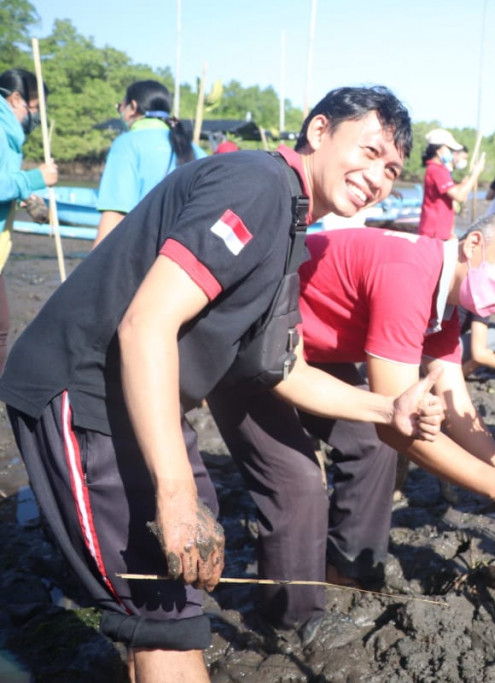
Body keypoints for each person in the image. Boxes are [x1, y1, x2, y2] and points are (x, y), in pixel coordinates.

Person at [0, 86, 448, 683]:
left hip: (133, 404)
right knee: (164, 621)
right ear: (318, 132)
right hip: (83, 396)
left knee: (168, 609)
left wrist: (387, 407)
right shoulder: (257, 186)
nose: (378, 177)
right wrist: (177, 493)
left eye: (392, 169)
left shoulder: (290, 225)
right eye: (368, 151)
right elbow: (146, 324)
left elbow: (283, 369)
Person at [207, 213, 495, 640]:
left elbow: (456, 404)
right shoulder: (409, 276)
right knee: (296, 479)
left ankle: (349, 570)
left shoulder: (446, 303)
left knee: (368, 444)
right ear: (472, 246)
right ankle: (293, 621)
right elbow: (398, 424)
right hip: (248, 336)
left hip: (312, 351)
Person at [93, 80, 207, 247]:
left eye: (120, 107)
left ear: (132, 106)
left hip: (142, 249)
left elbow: (114, 212)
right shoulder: (196, 150)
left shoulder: (126, 144)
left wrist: (94, 267)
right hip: (186, 252)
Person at [0, 68, 58, 372]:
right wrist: (36, 177)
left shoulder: (10, 135)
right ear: (16, 99)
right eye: (35, 108)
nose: (35, 116)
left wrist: (25, 198)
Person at [418, 128, 485, 240]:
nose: (452, 153)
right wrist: (476, 174)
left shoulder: (438, 169)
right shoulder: (436, 170)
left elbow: (448, 194)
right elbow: (459, 197)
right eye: (449, 149)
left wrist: (450, 231)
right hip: (434, 233)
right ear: (440, 150)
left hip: (440, 231)